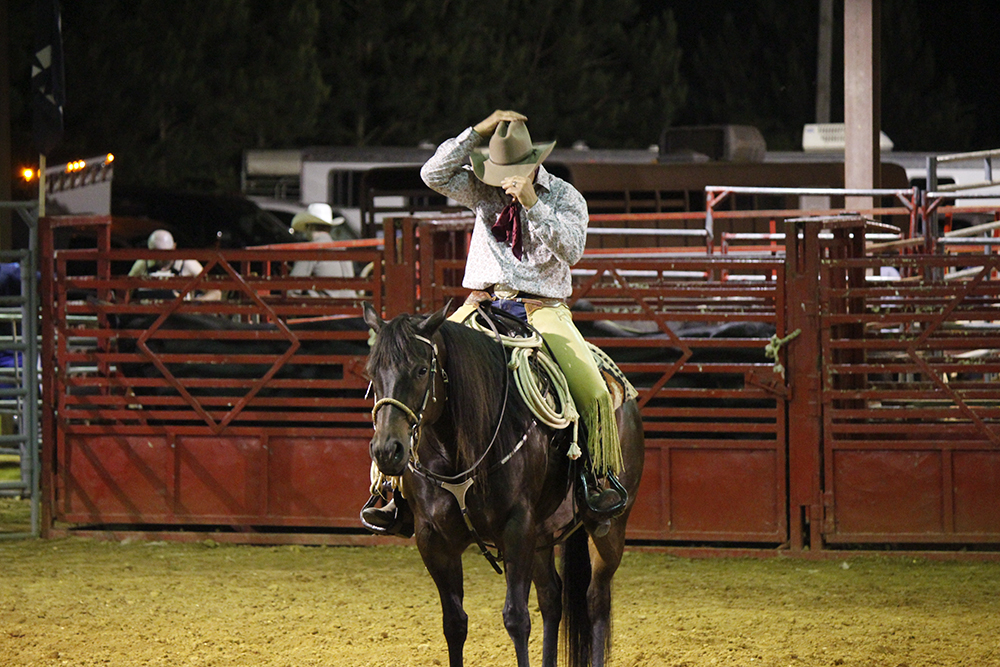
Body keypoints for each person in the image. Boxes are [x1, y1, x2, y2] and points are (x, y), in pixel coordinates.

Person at [362, 110, 625, 533]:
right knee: (408, 367)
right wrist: (478, 131)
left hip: (543, 308)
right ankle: (388, 489)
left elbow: (572, 250)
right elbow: (433, 173)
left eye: (510, 171)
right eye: (496, 169)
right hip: (481, 303)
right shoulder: (482, 189)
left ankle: (596, 482)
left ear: (533, 165)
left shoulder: (565, 198)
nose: (500, 179)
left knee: (592, 389)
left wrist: (532, 204)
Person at [129, 229, 222, 301]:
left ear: (174, 247)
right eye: (156, 254)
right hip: (148, 319)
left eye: (165, 254)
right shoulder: (143, 264)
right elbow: (125, 290)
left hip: (180, 320)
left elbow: (215, 293)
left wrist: (193, 303)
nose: (161, 259)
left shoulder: (187, 264)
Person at [288, 203, 357, 298]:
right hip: (351, 306)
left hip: (327, 309)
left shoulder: (311, 250)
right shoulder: (342, 249)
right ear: (329, 228)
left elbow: (292, 289)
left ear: (310, 227)